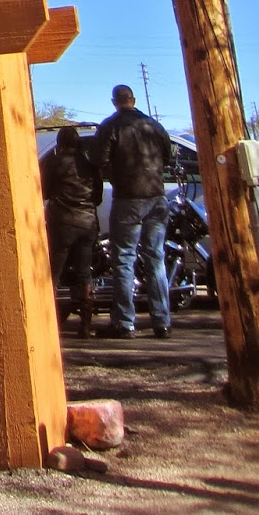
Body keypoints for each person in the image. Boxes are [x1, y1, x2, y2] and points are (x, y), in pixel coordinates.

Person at [90, 84, 175, 338]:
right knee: (155, 258)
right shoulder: (154, 126)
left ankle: (125, 323)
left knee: (124, 259)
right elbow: (168, 156)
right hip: (157, 198)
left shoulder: (110, 126)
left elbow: (98, 160)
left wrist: (114, 173)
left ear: (114, 102)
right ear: (133, 100)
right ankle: (162, 321)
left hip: (128, 199)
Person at [39, 125, 102, 337]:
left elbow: (44, 191)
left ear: (60, 143)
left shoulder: (54, 162)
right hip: (87, 222)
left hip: (62, 223)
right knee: (84, 273)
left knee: (54, 273)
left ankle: (47, 322)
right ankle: (85, 325)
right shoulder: (89, 164)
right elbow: (97, 196)